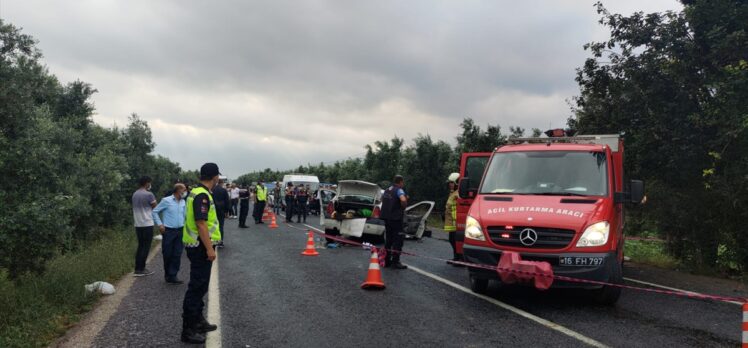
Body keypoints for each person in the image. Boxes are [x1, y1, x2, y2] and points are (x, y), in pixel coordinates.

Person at [181, 163, 222, 344]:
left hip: (196, 245)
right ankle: (188, 329)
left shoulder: (196, 192)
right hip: (199, 247)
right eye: (217, 176)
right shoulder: (202, 195)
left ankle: (198, 321)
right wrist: (209, 248)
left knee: (202, 285)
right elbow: (201, 223)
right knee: (197, 287)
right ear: (215, 177)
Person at [153, 183, 187, 284]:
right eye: (184, 189)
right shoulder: (166, 200)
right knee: (167, 254)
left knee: (177, 254)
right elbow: (154, 212)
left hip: (180, 230)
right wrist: (160, 224)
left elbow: (184, 215)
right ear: (178, 190)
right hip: (168, 231)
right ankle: (167, 274)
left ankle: (173, 275)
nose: (185, 192)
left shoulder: (183, 202)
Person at [381, 175, 408, 270]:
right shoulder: (399, 190)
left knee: (389, 239)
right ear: (400, 182)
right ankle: (395, 262)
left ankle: (387, 260)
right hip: (396, 219)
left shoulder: (387, 190)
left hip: (386, 218)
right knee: (398, 240)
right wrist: (403, 206)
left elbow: (382, 200)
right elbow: (403, 200)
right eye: (402, 182)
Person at [132, 176, 157, 277]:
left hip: (138, 224)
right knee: (146, 247)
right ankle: (141, 269)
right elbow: (156, 207)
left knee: (140, 246)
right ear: (147, 183)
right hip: (147, 223)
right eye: (149, 183)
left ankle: (137, 268)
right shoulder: (149, 194)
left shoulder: (135, 194)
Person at [443, 173, 464, 266]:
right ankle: (456, 257)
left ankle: (460, 258)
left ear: (457, 183)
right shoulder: (452, 192)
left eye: (452, 183)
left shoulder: (459, 193)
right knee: (452, 239)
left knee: (456, 240)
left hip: (457, 221)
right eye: (449, 183)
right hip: (452, 220)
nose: (449, 184)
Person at [212, 180, 230, 247]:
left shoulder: (212, 190)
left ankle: (214, 240)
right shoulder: (224, 190)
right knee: (221, 226)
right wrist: (227, 211)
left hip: (213, 210)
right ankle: (220, 241)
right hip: (221, 210)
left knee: (213, 226)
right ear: (222, 183)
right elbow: (227, 201)